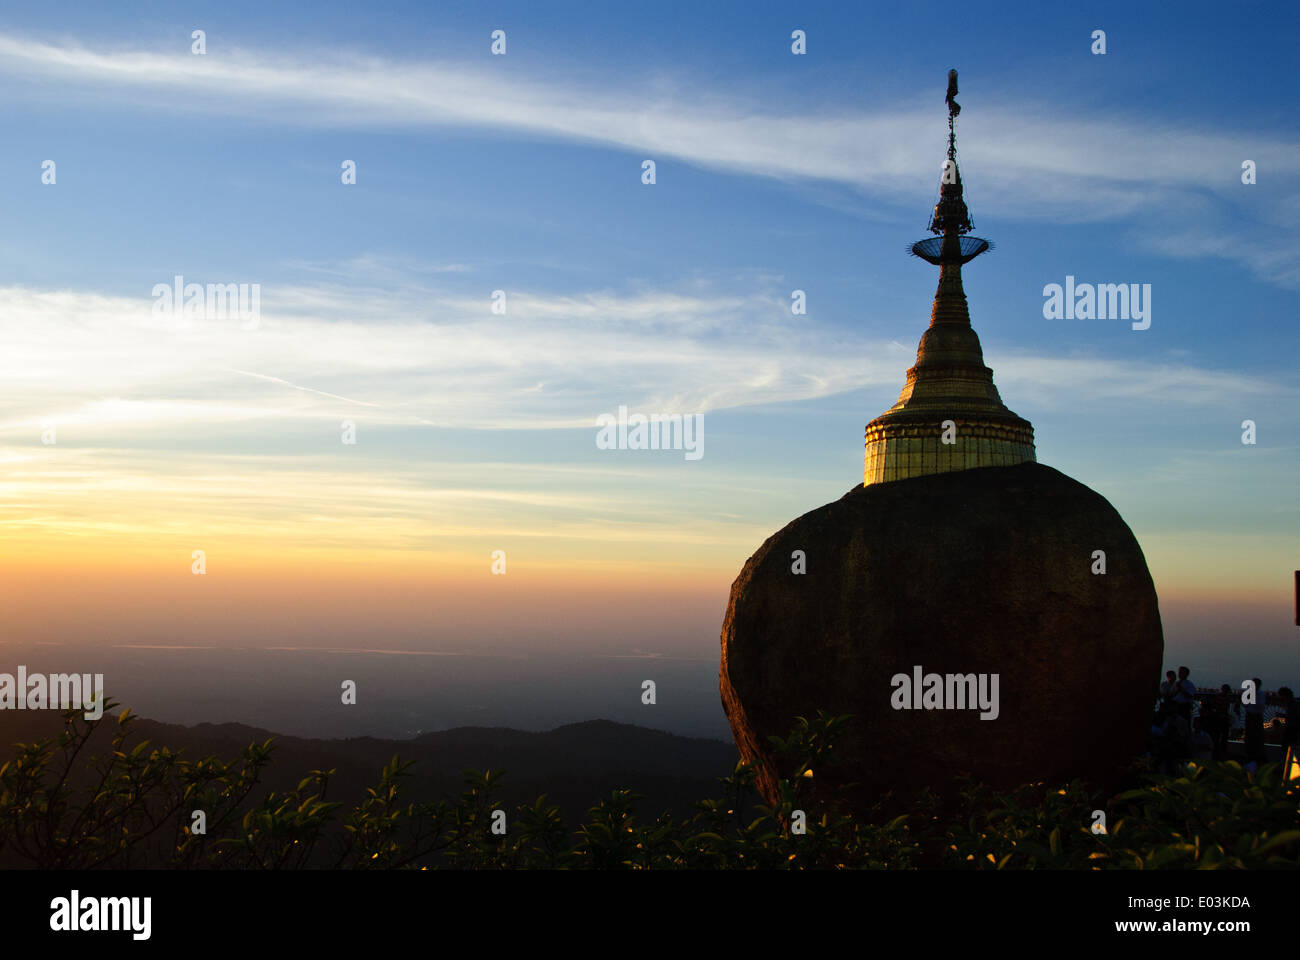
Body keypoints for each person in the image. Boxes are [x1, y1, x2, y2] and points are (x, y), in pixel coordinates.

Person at [1245, 677, 1266, 766]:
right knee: (1249, 736)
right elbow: (1244, 703)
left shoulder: (1261, 694)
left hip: (1256, 717)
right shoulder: (1249, 692)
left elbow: (1260, 706)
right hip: (1250, 716)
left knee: (1257, 737)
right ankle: (1250, 756)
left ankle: (1257, 757)